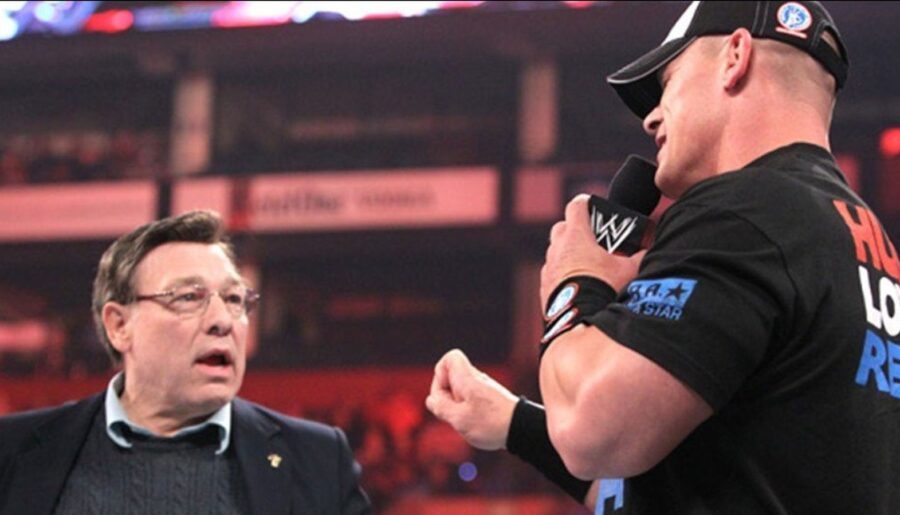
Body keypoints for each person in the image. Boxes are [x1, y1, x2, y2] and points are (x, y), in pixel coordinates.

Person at [428, 1, 900, 513]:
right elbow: (660, 480)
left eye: (668, 81)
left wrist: (574, 282)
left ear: (734, 56)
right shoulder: (856, 236)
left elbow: (593, 435)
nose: (651, 117)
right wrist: (515, 424)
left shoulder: (746, 209)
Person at [0, 210, 371, 514]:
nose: (222, 320)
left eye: (234, 299)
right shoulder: (13, 451)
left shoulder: (317, 460)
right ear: (119, 326)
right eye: (189, 297)